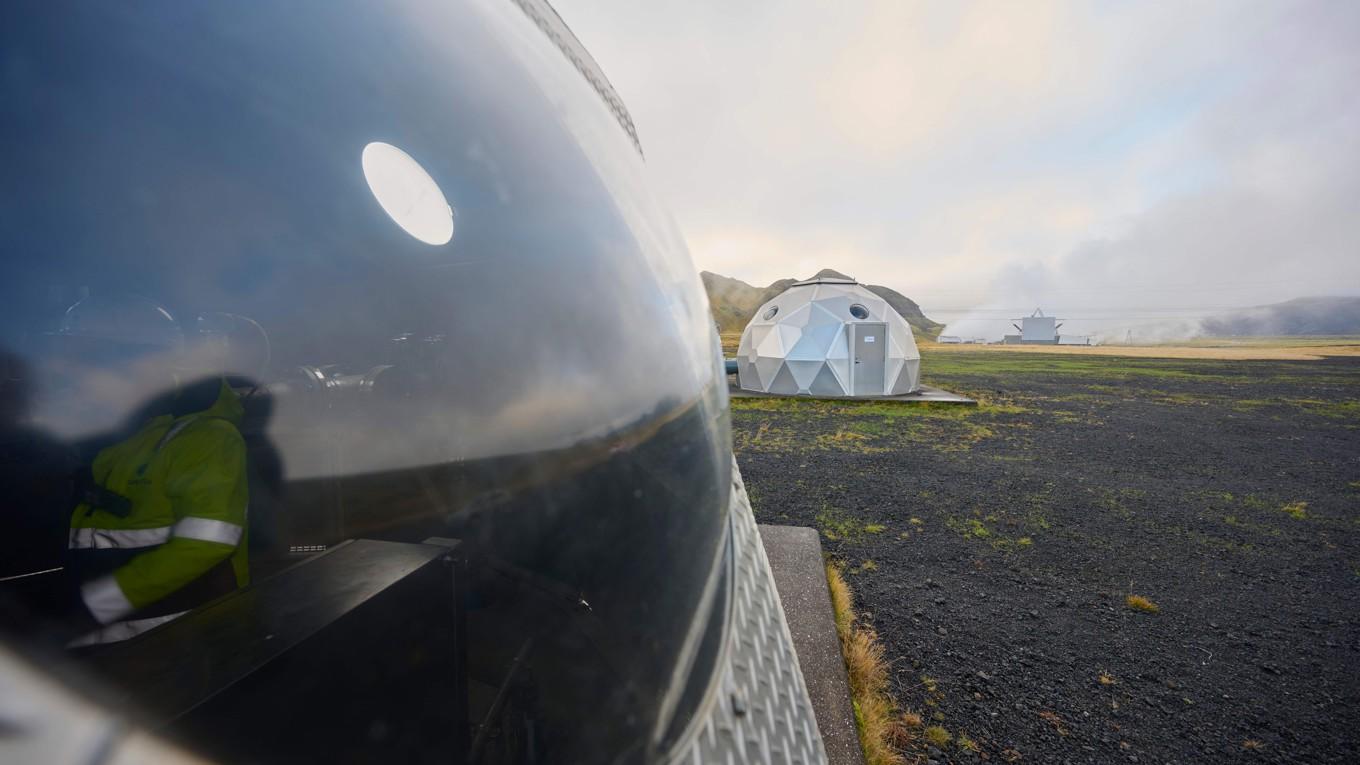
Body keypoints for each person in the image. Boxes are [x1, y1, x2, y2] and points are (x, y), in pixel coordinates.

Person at [43, 297, 251, 646]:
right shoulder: (115, 437)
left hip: (178, 640)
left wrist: (96, 603)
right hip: (108, 639)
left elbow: (207, 543)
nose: (70, 375)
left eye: (84, 363)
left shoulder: (206, 437)